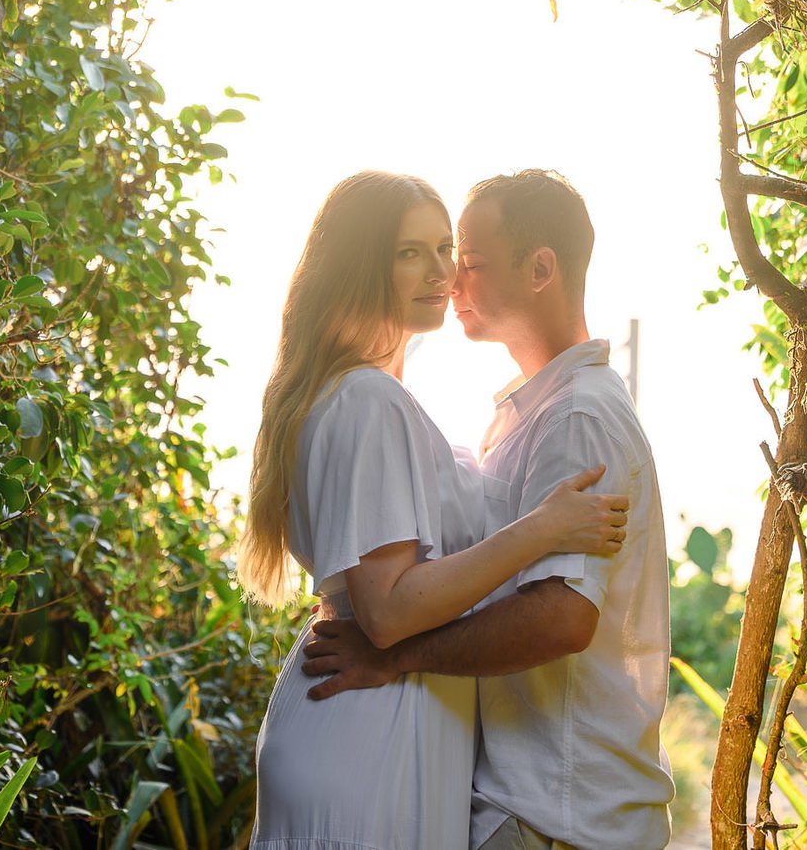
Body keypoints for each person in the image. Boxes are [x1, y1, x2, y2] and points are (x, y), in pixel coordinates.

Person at [238, 169, 630, 850]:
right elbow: (387, 612)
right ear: (362, 263)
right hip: (370, 729)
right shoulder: (369, 400)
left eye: (447, 249)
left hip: (375, 718)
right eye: (410, 251)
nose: (443, 272)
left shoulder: (359, 395)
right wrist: (540, 528)